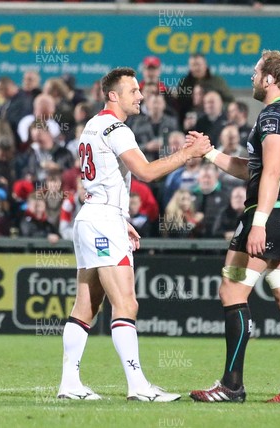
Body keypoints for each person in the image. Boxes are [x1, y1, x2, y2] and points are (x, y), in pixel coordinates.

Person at [57, 67, 211, 401]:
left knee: (86, 304)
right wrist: (188, 153)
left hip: (92, 217)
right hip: (103, 220)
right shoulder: (117, 128)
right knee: (126, 302)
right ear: (113, 95)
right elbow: (147, 172)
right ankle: (138, 386)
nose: (140, 95)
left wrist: (121, 215)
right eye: (133, 90)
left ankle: (69, 383)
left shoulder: (92, 127)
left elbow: (95, 182)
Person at [189, 50, 280, 403]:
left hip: (270, 214)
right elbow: (255, 168)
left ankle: (231, 386)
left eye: (257, 71)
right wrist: (209, 154)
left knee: (231, 292)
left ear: (270, 79)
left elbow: (271, 173)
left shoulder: (273, 115)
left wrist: (258, 223)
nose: (251, 75)